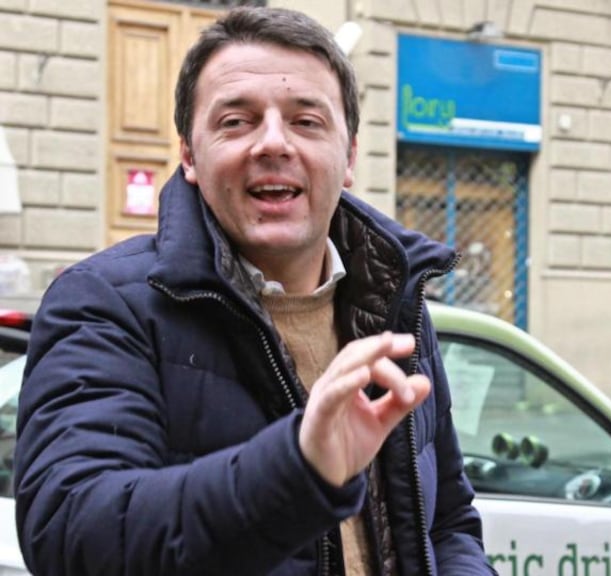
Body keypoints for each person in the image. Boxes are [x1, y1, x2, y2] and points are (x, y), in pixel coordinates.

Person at [14, 6, 494, 575]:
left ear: (349, 157)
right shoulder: (103, 303)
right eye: (236, 121)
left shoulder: (396, 305)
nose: (273, 143)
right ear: (190, 156)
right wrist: (298, 467)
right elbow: (73, 535)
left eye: (307, 121)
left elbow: (448, 522)